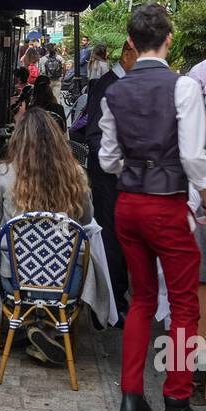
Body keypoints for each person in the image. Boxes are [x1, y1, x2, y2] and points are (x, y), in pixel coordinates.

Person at [99, 5, 206, 411]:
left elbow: (108, 158)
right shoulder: (183, 87)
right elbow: (194, 156)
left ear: (131, 42)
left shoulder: (113, 92)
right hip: (166, 203)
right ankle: (177, 406)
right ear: (169, 38)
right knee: (184, 304)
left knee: (140, 300)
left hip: (127, 203)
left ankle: (133, 396)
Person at [0, 108, 93, 366]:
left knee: (0, 257)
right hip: (66, 284)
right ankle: (46, 330)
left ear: (18, 138)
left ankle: (27, 324)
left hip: (17, 283)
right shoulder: (75, 174)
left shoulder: (4, 174)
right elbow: (86, 220)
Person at [83, 39, 137, 320]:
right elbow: (94, 135)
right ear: (128, 53)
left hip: (121, 174)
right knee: (112, 237)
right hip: (108, 176)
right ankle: (111, 301)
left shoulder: (121, 83)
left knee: (121, 236)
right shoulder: (109, 85)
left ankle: (116, 296)